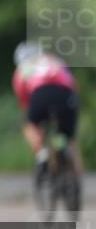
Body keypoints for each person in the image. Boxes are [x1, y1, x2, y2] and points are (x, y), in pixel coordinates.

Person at [12, 42, 84, 191]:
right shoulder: (54, 61)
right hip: (65, 96)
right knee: (70, 140)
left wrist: (34, 121)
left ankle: (42, 154)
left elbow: (24, 102)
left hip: (40, 95)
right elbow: (73, 84)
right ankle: (77, 182)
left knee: (29, 125)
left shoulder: (22, 70)